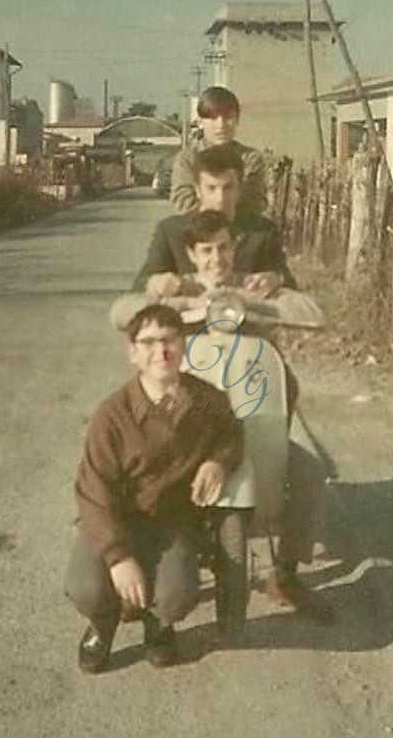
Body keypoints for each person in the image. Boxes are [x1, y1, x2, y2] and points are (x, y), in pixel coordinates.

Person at [112, 211, 335, 624]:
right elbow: (122, 313)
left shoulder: (251, 286)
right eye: (207, 250)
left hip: (251, 407)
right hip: (195, 414)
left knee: (308, 473)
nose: (217, 258)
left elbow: (315, 314)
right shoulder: (182, 292)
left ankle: (285, 572)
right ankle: (137, 570)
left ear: (234, 249)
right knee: (148, 474)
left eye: (224, 247)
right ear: (192, 255)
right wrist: (164, 294)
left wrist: (270, 292)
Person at [65, 303, 244, 673]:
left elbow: (232, 434)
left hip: (171, 522)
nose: (160, 352)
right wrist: (118, 557)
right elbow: (92, 489)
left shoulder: (207, 399)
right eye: (147, 343)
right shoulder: (112, 414)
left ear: (183, 345)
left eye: (169, 340)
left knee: (176, 595)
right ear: (133, 354)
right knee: (86, 587)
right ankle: (103, 622)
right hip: (117, 519)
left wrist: (218, 462)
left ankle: (158, 626)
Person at [132, 143, 295, 295]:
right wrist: (155, 283)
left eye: (228, 187)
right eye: (211, 188)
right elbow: (139, 286)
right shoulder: (171, 232)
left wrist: (274, 280)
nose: (220, 198)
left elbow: (288, 283)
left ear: (239, 189)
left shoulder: (261, 233)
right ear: (197, 190)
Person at [170, 86, 266, 216]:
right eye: (213, 118)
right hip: (198, 229)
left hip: (241, 230)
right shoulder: (187, 158)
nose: (221, 125)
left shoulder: (250, 158)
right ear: (200, 121)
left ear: (237, 120)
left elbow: (255, 201)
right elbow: (183, 201)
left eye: (228, 118)